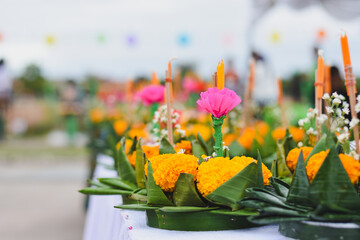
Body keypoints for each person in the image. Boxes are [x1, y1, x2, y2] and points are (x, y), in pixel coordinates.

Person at [0, 59, 12, 139]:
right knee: (4, 113)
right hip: (4, 94)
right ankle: (2, 133)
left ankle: (2, 133)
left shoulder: (5, 71)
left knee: (3, 113)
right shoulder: (6, 71)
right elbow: (7, 84)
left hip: (3, 94)